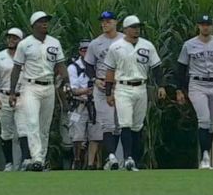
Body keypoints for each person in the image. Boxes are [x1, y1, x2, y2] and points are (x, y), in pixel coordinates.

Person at [9, 11, 70, 172]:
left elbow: (61, 64)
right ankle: (35, 156)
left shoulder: (54, 42)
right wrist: (12, 92)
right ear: (33, 25)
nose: (45, 24)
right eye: (41, 21)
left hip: (49, 86)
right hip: (31, 86)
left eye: (46, 21)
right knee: (32, 122)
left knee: (45, 126)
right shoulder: (25, 44)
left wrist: (67, 81)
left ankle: (41, 160)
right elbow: (16, 69)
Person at [104, 15, 167, 171]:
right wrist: (108, 92)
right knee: (125, 122)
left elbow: (156, 68)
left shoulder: (147, 45)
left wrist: (161, 86)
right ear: (125, 29)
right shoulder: (116, 47)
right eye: (133, 27)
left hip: (141, 87)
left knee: (137, 126)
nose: (136, 29)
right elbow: (110, 71)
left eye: (138, 27)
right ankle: (127, 158)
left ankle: (134, 159)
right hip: (123, 87)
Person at [175, 14, 213, 170]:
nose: (205, 27)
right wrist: (179, 90)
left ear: (211, 26)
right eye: (203, 24)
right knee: (203, 119)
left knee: (210, 124)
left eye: (208, 24)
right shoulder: (189, 45)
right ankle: (204, 156)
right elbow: (181, 68)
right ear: (198, 26)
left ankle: (206, 156)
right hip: (196, 83)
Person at [84, 11, 124, 170]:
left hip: (121, 85)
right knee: (107, 124)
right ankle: (111, 158)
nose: (105, 24)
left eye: (108, 21)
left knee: (121, 124)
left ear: (115, 22)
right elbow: (88, 65)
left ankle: (118, 159)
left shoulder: (124, 40)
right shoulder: (96, 43)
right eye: (103, 21)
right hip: (102, 86)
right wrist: (95, 79)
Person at [0, 28, 27, 172]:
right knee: (6, 132)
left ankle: (25, 161)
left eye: (15, 38)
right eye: (9, 37)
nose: (11, 40)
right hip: (4, 97)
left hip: (22, 96)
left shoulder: (26, 57)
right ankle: (9, 163)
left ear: (21, 40)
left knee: (23, 129)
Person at [68, 39, 102, 170]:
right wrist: (87, 91)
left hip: (95, 103)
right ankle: (77, 160)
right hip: (80, 103)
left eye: (88, 50)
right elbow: (73, 89)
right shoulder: (74, 67)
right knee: (77, 135)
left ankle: (91, 163)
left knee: (96, 135)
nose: (86, 52)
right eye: (83, 50)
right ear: (79, 51)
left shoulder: (98, 66)